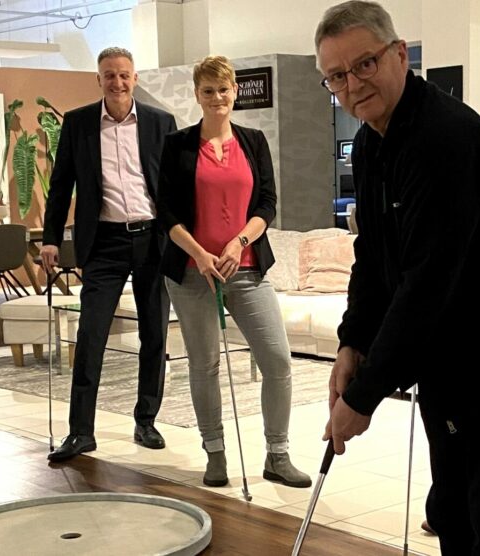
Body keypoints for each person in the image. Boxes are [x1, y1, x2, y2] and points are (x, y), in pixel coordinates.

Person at [315, 2, 480, 553]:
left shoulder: (444, 137)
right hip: (449, 336)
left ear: (399, 55)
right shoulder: (370, 143)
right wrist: (353, 341)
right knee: (451, 502)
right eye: (335, 75)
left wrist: (365, 396)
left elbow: (428, 280)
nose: (352, 85)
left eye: (364, 64)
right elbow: (376, 254)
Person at [156, 55, 312, 489]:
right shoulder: (178, 145)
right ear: (197, 96)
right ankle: (215, 452)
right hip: (191, 272)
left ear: (235, 91)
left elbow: (266, 204)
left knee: (277, 360)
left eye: (223, 89)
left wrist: (237, 242)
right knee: (204, 365)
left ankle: (277, 455)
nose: (217, 97)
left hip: (246, 268)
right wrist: (201, 254)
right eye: (208, 91)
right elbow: (165, 211)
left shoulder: (253, 141)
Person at [41, 46, 177, 462]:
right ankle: (81, 432)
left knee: (154, 334)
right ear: (98, 80)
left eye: (124, 75)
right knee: (91, 336)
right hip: (103, 243)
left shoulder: (160, 123)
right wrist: (50, 238)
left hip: (153, 240)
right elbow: (61, 184)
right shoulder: (79, 124)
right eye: (109, 75)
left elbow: (174, 185)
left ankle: (146, 419)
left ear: (134, 79)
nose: (117, 82)